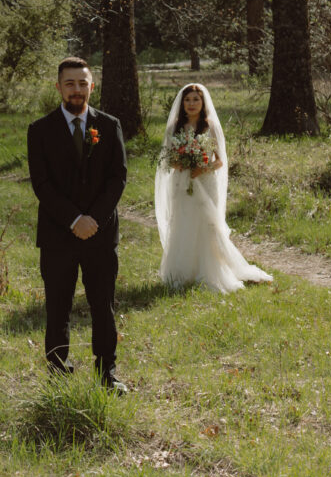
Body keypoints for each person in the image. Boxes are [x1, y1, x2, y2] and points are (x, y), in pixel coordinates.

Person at [27, 57, 128, 392]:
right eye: (69, 83)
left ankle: (107, 373)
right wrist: (73, 219)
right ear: (58, 87)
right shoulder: (39, 130)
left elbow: (118, 178)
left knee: (103, 305)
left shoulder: (110, 125)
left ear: (92, 86)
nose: (76, 89)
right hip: (59, 234)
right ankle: (57, 370)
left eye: (82, 83)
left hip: (100, 234)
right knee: (58, 306)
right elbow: (41, 184)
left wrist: (93, 220)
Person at [155, 83, 272, 293]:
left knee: (207, 225)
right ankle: (182, 271)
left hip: (205, 181)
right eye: (188, 100)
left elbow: (220, 161)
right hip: (182, 181)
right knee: (183, 223)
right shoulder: (174, 127)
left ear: (203, 102)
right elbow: (167, 158)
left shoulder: (210, 126)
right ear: (182, 104)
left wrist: (202, 168)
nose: (191, 104)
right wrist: (180, 163)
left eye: (196, 100)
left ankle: (210, 270)